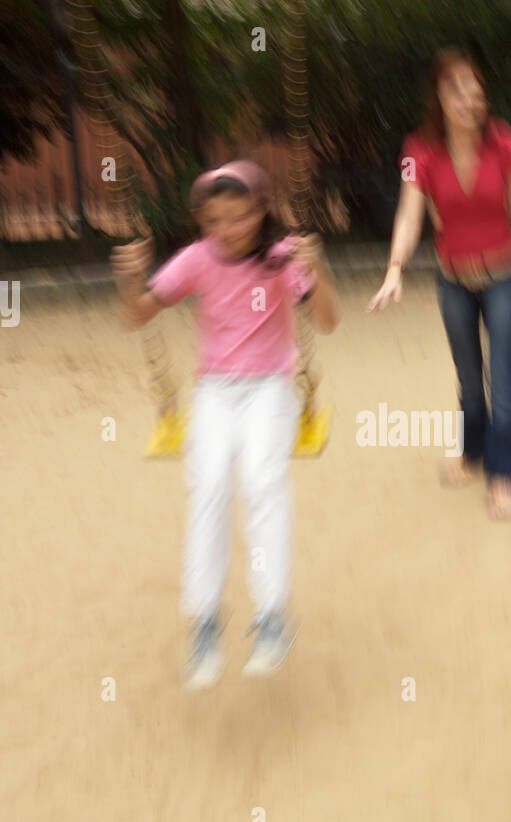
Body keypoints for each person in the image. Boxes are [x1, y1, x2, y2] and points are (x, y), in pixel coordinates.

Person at [112, 160, 339, 690]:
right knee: (209, 485)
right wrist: (129, 277)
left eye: (238, 217)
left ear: (261, 211)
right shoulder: (196, 260)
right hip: (215, 390)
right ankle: (205, 623)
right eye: (215, 221)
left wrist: (317, 266)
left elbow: (327, 320)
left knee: (262, 480)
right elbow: (135, 317)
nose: (228, 231)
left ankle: (272, 618)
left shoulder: (282, 259)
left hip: (270, 389)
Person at [368, 48, 511, 520]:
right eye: (457, 90)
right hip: (453, 281)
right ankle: (472, 451)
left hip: (505, 277)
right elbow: (410, 212)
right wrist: (395, 268)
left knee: (502, 375)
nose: (469, 99)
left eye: (476, 90)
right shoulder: (419, 150)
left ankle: (505, 474)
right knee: (470, 378)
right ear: (438, 97)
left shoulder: (503, 142)